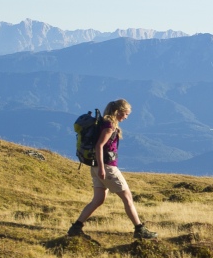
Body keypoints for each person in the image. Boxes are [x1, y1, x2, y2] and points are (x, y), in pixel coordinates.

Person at [67, 98, 158, 239]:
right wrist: (102, 168)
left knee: (98, 200)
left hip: (95, 167)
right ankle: (139, 229)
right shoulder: (110, 126)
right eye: (126, 114)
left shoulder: (103, 123)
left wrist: (99, 168)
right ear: (119, 112)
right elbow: (99, 146)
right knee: (128, 198)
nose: (126, 117)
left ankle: (76, 227)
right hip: (107, 168)